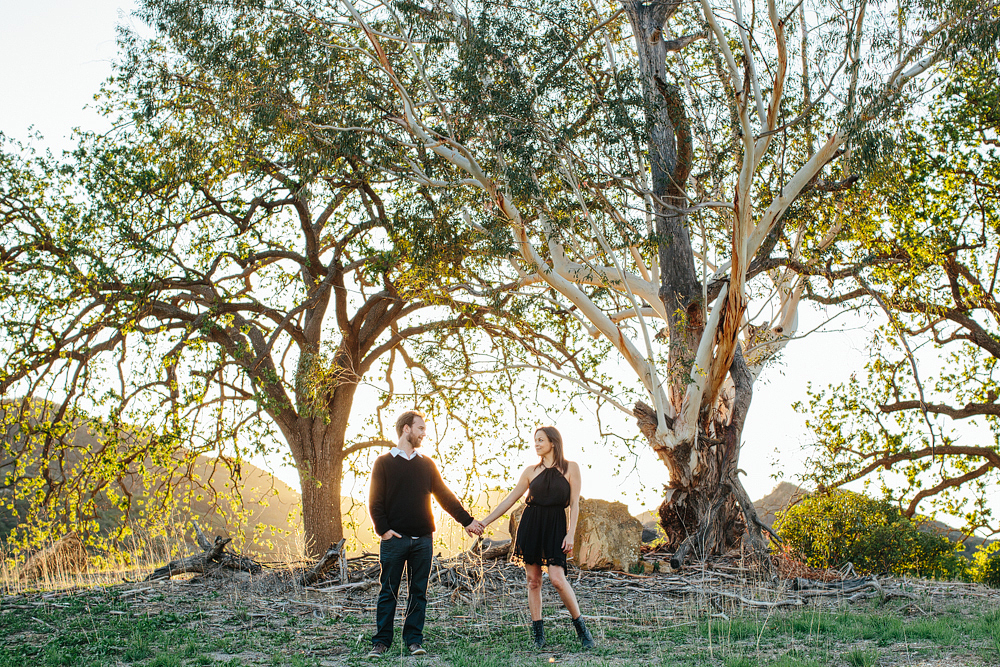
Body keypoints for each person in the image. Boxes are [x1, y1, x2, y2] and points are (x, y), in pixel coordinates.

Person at [367, 410, 485, 658]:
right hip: (394, 541)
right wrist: (384, 530)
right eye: (420, 428)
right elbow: (375, 502)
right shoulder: (383, 462)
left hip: (423, 540)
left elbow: (444, 497)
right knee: (388, 591)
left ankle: (413, 641)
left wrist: (468, 520)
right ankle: (381, 642)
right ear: (406, 429)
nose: (423, 434)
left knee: (418, 593)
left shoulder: (427, 464)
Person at [480, 425, 595, 649]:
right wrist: (484, 522)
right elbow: (509, 500)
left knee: (557, 579)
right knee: (533, 581)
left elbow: (574, 503)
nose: (537, 444)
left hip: (556, 527)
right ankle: (538, 636)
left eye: (541, 440)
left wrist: (570, 533)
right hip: (531, 525)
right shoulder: (531, 471)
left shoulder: (571, 468)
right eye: (535, 441)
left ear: (553, 442)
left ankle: (582, 629)